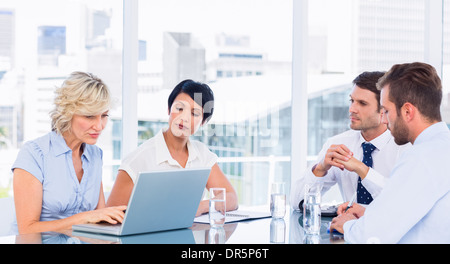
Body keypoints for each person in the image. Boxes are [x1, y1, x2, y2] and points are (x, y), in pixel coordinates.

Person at [330, 62, 450, 243]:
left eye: (386, 111)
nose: (384, 120)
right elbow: (423, 217)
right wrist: (371, 214)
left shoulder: (420, 157)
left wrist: (347, 225)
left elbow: (371, 236)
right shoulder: (441, 146)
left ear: (408, 111)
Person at [11, 72, 126, 235]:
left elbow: (100, 222)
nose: (99, 126)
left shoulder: (95, 155)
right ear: (67, 113)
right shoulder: (34, 154)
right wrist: (85, 218)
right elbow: (27, 229)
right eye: (89, 116)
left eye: (104, 116)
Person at [107, 79, 238, 216]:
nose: (184, 118)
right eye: (179, 109)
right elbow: (109, 216)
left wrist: (200, 207)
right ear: (169, 109)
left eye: (194, 113)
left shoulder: (202, 154)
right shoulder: (139, 159)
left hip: (190, 235)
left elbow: (231, 198)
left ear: (203, 121)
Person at [290, 71, 409, 211]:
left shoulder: (405, 147)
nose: (352, 109)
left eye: (362, 103)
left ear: (384, 109)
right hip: (346, 231)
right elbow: (296, 203)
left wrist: (362, 169)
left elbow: (402, 204)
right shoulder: (339, 144)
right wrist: (320, 168)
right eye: (351, 101)